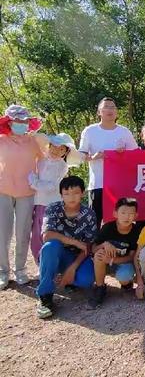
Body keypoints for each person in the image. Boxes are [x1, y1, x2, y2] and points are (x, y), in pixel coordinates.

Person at [36, 176, 97, 319]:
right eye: (66, 193)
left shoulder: (89, 214)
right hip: (57, 253)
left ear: (82, 193)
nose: (71, 197)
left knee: (87, 280)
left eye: (75, 193)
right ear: (61, 195)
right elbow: (47, 235)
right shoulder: (53, 208)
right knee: (50, 246)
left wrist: (73, 267)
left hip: (78, 256)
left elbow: (88, 245)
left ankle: (68, 278)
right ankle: (45, 296)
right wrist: (75, 242)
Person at [0, 104, 43, 290]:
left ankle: (20, 270)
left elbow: (45, 161)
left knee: (23, 232)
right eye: (18, 121)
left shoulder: (33, 142)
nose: (21, 124)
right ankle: (3, 272)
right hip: (3, 190)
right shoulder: (1, 141)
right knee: (3, 233)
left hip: (28, 192)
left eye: (24, 121)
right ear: (9, 122)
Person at [79, 97, 138, 227]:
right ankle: (93, 247)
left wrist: (124, 154)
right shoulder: (90, 131)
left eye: (113, 107)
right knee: (94, 220)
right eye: (106, 107)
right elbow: (81, 156)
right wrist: (94, 157)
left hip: (120, 184)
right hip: (98, 184)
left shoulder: (124, 132)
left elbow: (136, 155)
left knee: (120, 220)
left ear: (117, 112)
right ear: (99, 112)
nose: (110, 110)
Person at [29, 133, 81, 264]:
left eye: (61, 149)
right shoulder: (40, 161)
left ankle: (50, 262)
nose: (56, 151)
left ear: (66, 152)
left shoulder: (62, 166)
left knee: (47, 232)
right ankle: (39, 262)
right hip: (36, 202)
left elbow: (52, 186)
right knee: (35, 234)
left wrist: (34, 182)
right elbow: (32, 174)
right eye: (54, 146)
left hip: (51, 205)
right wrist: (33, 181)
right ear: (49, 146)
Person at [88, 197, 142, 309]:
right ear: (115, 213)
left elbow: (132, 257)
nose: (127, 217)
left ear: (136, 215)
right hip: (106, 263)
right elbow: (93, 249)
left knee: (124, 276)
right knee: (98, 255)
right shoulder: (108, 228)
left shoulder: (136, 231)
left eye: (131, 213)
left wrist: (112, 260)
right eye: (123, 212)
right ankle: (100, 288)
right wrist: (103, 245)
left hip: (123, 262)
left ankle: (126, 285)